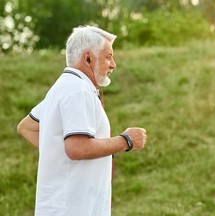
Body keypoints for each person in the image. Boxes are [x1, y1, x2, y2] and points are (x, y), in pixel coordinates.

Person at [17, 25, 147, 216]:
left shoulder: (63, 86)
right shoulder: (78, 90)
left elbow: (27, 127)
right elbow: (77, 148)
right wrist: (126, 140)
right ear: (88, 58)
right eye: (108, 57)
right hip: (74, 208)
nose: (113, 65)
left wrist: (59, 155)